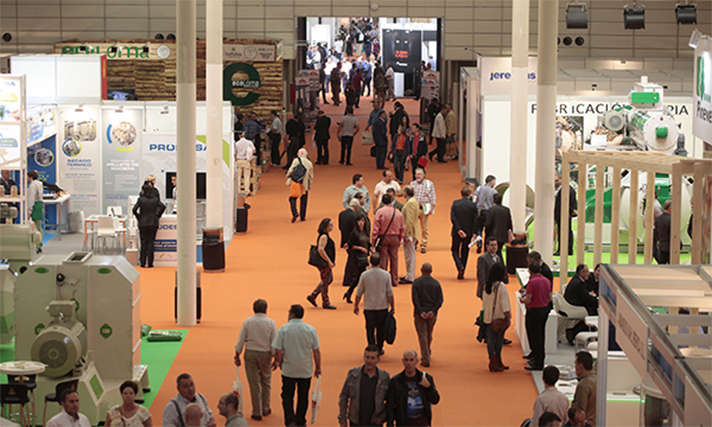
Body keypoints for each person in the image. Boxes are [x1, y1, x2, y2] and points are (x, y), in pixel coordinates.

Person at [271, 304, 321, 427]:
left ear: (292, 314)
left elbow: (277, 350)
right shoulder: (310, 329)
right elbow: (316, 350)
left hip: (289, 369)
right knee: (303, 396)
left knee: (287, 396)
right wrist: (318, 367)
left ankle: (290, 420)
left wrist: (279, 362)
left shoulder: (283, 329)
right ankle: (301, 420)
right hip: (305, 370)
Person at [234, 298, 277, 421]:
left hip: (251, 353)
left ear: (253, 309)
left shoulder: (248, 322)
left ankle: (256, 411)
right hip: (266, 354)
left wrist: (237, 354)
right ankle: (266, 408)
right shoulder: (271, 323)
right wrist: (276, 358)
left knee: (254, 384)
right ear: (266, 309)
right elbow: (274, 341)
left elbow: (241, 339)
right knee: (266, 381)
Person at [338, 345, 390, 427]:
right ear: (364, 357)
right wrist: (343, 419)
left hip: (374, 422)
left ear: (378, 359)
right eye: (367, 357)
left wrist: (382, 417)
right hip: (355, 422)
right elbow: (343, 396)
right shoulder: (353, 375)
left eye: (373, 358)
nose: (369, 361)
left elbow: (390, 400)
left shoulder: (384, 377)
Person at [353, 253, 395, 354]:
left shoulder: (365, 275)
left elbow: (359, 292)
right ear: (380, 262)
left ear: (370, 262)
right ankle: (379, 348)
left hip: (369, 307)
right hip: (382, 307)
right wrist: (392, 306)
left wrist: (356, 305)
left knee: (370, 329)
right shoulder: (386, 275)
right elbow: (390, 293)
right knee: (381, 329)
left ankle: (371, 347)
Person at [386, 350, 440, 426]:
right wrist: (390, 424)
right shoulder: (395, 381)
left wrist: (428, 387)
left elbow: (435, 400)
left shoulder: (426, 378)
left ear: (416, 361)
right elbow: (390, 405)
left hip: (422, 424)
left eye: (411, 360)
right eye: (406, 360)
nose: (409, 363)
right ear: (403, 361)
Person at [519, 262, 552, 371]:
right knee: (541, 335)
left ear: (530, 271)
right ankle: (538, 358)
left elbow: (528, 299)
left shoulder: (532, 282)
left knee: (534, 336)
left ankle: (537, 361)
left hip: (534, 311)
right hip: (543, 310)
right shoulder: (547, 281)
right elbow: (550, 298)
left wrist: (522, 299)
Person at [411, 263, 443, 368]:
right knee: (429, 333)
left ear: (421, 270)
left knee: (422, 334)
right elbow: (440, 300)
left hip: (420, 313)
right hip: (432, 313)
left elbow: (415, 299)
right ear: (431, 271)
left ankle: (425, 357)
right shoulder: (436, 283)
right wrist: (432, 311)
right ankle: (427, 351)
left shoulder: (416, 282)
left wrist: (420, 311)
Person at [482, 262, 511, 373]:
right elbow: (504, 304)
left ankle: (493, 361)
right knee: (498, 340)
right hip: (498, 317)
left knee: (490, 340)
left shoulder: (487, 286)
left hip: (488, 317)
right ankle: (497, 360)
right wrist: (508, 316)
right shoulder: (501, 286)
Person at [372, 193, 405, 288]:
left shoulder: (380, 212)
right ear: (391, 201)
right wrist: (400, 238)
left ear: (382, 201)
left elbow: (376, 228)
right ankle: (394, 280)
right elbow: (402, 227)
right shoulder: (398, 212)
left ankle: (383, 281)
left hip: (383, 237)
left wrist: (373, 240)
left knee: (383, 259)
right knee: (394, 259)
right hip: (395, 237)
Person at [133, 183, 166, 268]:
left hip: (143, 222)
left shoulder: (141, 200)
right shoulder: (155, 199)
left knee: (143, 242)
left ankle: (143, 262)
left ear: (143, 191)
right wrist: (157, 215)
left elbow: (134, 210)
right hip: (153, 222)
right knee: (151, 242)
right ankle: (150, 263)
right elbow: (163, 206)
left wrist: (139, 217)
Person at [307, 218, 337, 310]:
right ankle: (325, 301)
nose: (332, 226)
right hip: (323, 263)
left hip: (325, 262)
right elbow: (321, 249)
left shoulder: (325, 236)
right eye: (331, 225)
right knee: (325, 281)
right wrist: (329, 261)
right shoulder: (324, 236)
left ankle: (313, 295)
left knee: (328, 279)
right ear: (326, 226)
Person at [450, 185, 478, 280]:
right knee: (465, 251)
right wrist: (474, 232)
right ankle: (463, 268)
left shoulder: (456, 203)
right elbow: (475, 220)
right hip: (468, 232)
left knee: (455, 250)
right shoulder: (473, 206)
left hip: (457, 232)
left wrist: (458, 229)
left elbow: (453, 218)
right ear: (470, 194)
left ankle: (459, 266)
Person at [343, 214, 371, 303]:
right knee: (362, 278)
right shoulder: (354, 233)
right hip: (357, 257)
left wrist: (371, 249)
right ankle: (352, 293)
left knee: (359, 278)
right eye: (359, 221)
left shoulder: (365, 232)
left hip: (364, 257)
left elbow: (367, 243)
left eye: (362, 221)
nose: (361, 223)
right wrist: (361, 248)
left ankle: (349, 293)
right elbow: (350, 245)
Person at [410, 168, 436, 254]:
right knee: (413, 227)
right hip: (415, 208)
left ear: (424, 175)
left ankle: (423, 245)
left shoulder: (429, 184)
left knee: (425, 228)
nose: (417, 176)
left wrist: (432, 208)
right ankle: (414, 241)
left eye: (419, 174)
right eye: (416, 174)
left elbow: (433, 196)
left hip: (425, 207)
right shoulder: (412, 184)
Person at [286, 148, 314, 223]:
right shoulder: (309, 163)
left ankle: (295, 212)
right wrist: (309, 185)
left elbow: (291, 170)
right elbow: (311, 176)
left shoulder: (296, 160)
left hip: (296, 183)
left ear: (301, 153)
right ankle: (303, 216)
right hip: (304, 184)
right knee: (304, 200)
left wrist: (288, 176)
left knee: (292, 198)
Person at [484, 192, 513, 263]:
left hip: (493, 235)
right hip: (503, 236)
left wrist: (487, 233)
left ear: (493, 200)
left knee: (495, 253)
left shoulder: (491, 210)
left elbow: (488, 223)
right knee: (498, 251)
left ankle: (500, 268)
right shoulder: (506, 210)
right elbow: (510, 223)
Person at [554, 173, 577, 256]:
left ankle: (563, 250)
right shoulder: (566, 190)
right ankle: (567, 250)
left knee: (564, 233)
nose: (555, 183)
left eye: (557, 180)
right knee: (566, 232)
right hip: (563, 215)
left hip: (564, 215)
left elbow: (568, 204)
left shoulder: (566, 190)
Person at [572, 351, 597, 426]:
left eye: (576, 364)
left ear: (581, 366)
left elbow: (580, 412)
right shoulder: (597, 380)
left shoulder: (583, 385)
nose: (575, 367)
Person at [400, 185, 419, 285]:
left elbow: (409, 220)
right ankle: (409, 274)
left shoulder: (411, 202)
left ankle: (410, 276)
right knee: (409, 254)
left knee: (410, 255)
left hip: (410, 232)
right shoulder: (412, 201)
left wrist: (406, 234)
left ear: (406, 193)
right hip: (411, 231)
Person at [27, 170, 44, 253]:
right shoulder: (40, 183)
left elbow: (31, 198)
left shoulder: (32, 185)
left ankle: (37, 245)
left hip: (35, 205)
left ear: (30, 177)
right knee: (39, 226)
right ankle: (40, 243)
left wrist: (29, 210)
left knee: (35, 227)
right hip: (39, 204)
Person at [654, 199, 672, 264]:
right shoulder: (672, 219)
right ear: (670, 208)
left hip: (661, 246)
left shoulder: (658, 219)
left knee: (662, 266)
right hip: (671, 247)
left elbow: (656, 233)